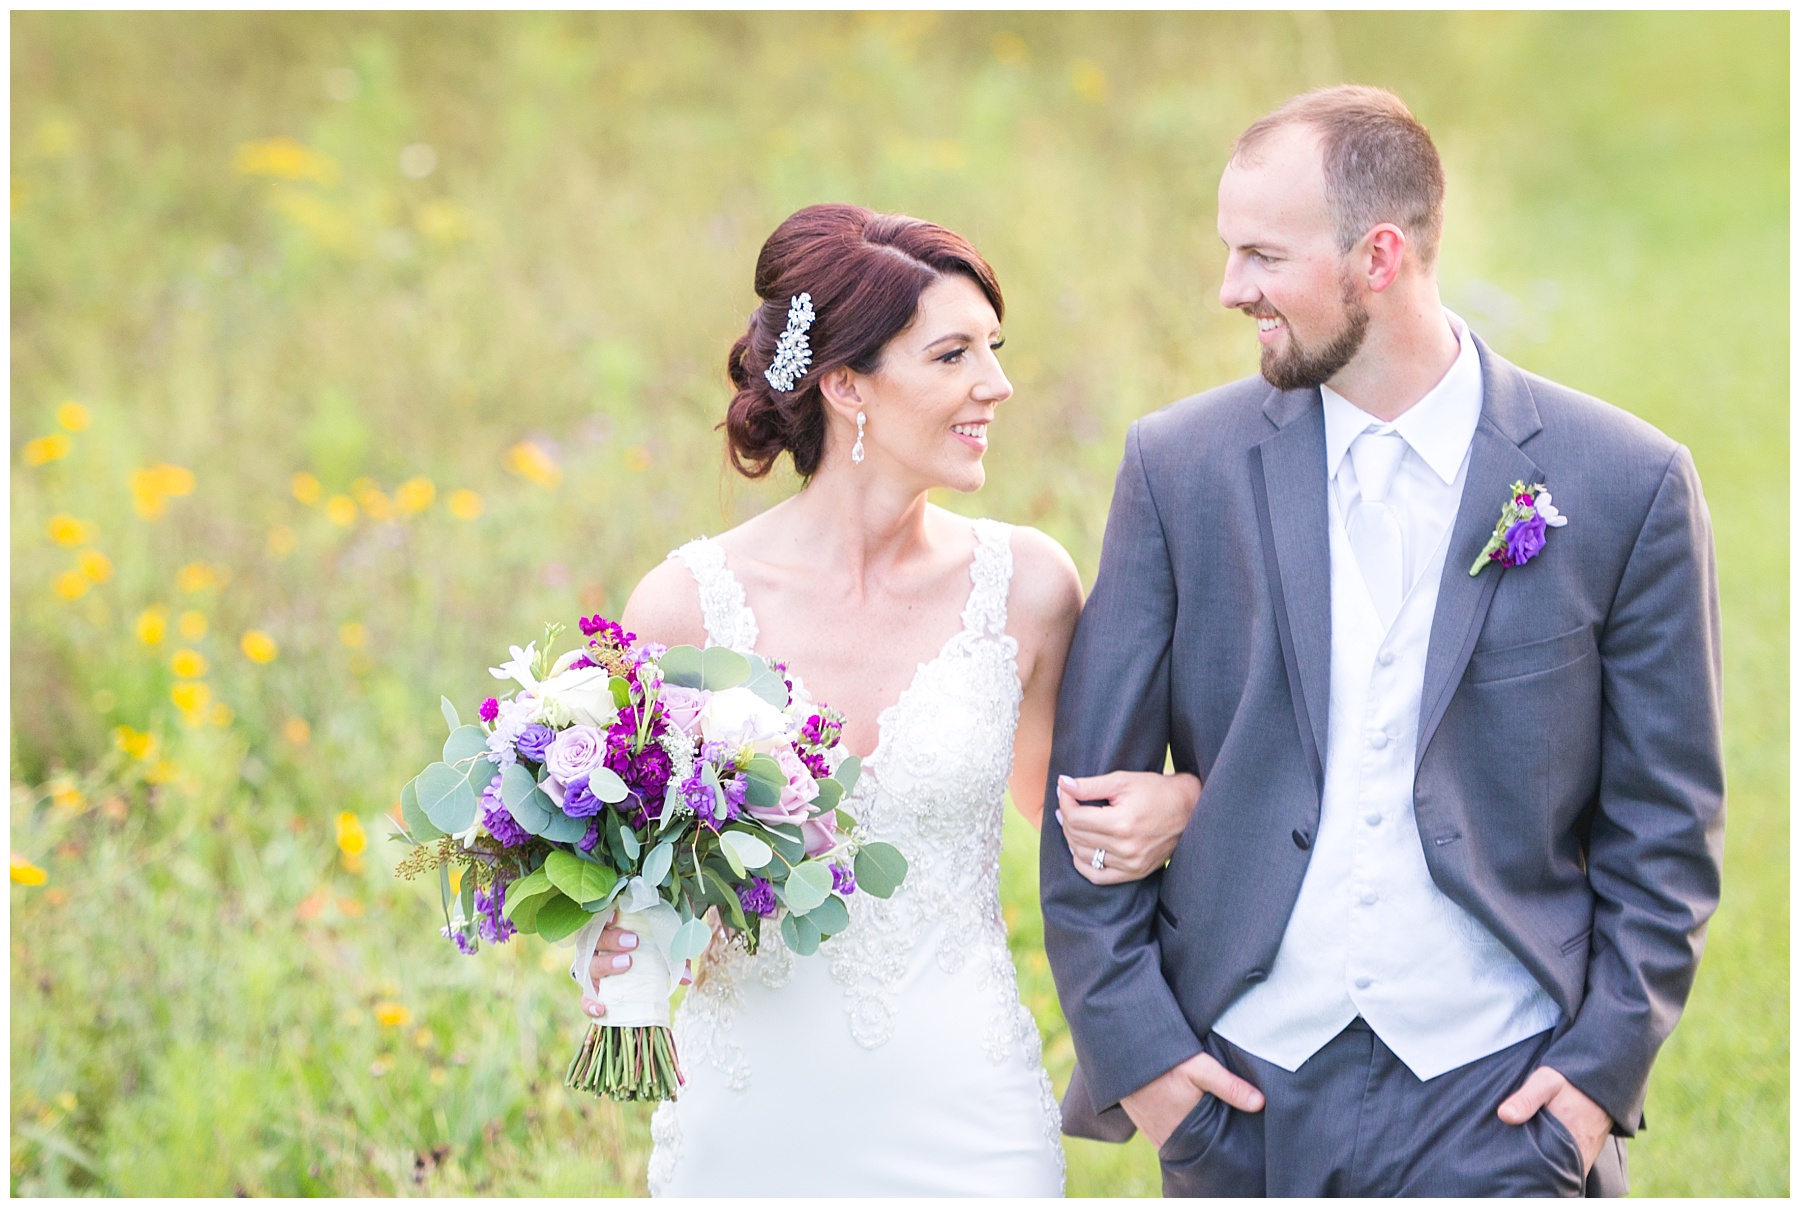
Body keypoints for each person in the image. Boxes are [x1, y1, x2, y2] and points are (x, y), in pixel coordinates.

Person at [1042, 86, 1724, 1197]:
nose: (1232, 289)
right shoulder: (1179, 469)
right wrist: (1152, 1065)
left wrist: (1595, 1079)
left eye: (1263, 255)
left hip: (1502, 1094)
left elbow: (1666, 823)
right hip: (1243, 1092)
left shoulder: (1623, 481)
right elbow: (1090, 806)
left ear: (1380, 255)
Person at [579, 203, 1202, 1195]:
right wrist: (608, 942)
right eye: (953, 355)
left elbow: (1078, 824)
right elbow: (630, 876)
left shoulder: (1029, 586)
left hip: (968, 1109)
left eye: (994, 349)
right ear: (845, 385)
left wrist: (1180, 804)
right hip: (748, 1117)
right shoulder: (686, 607)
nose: (995, 385)